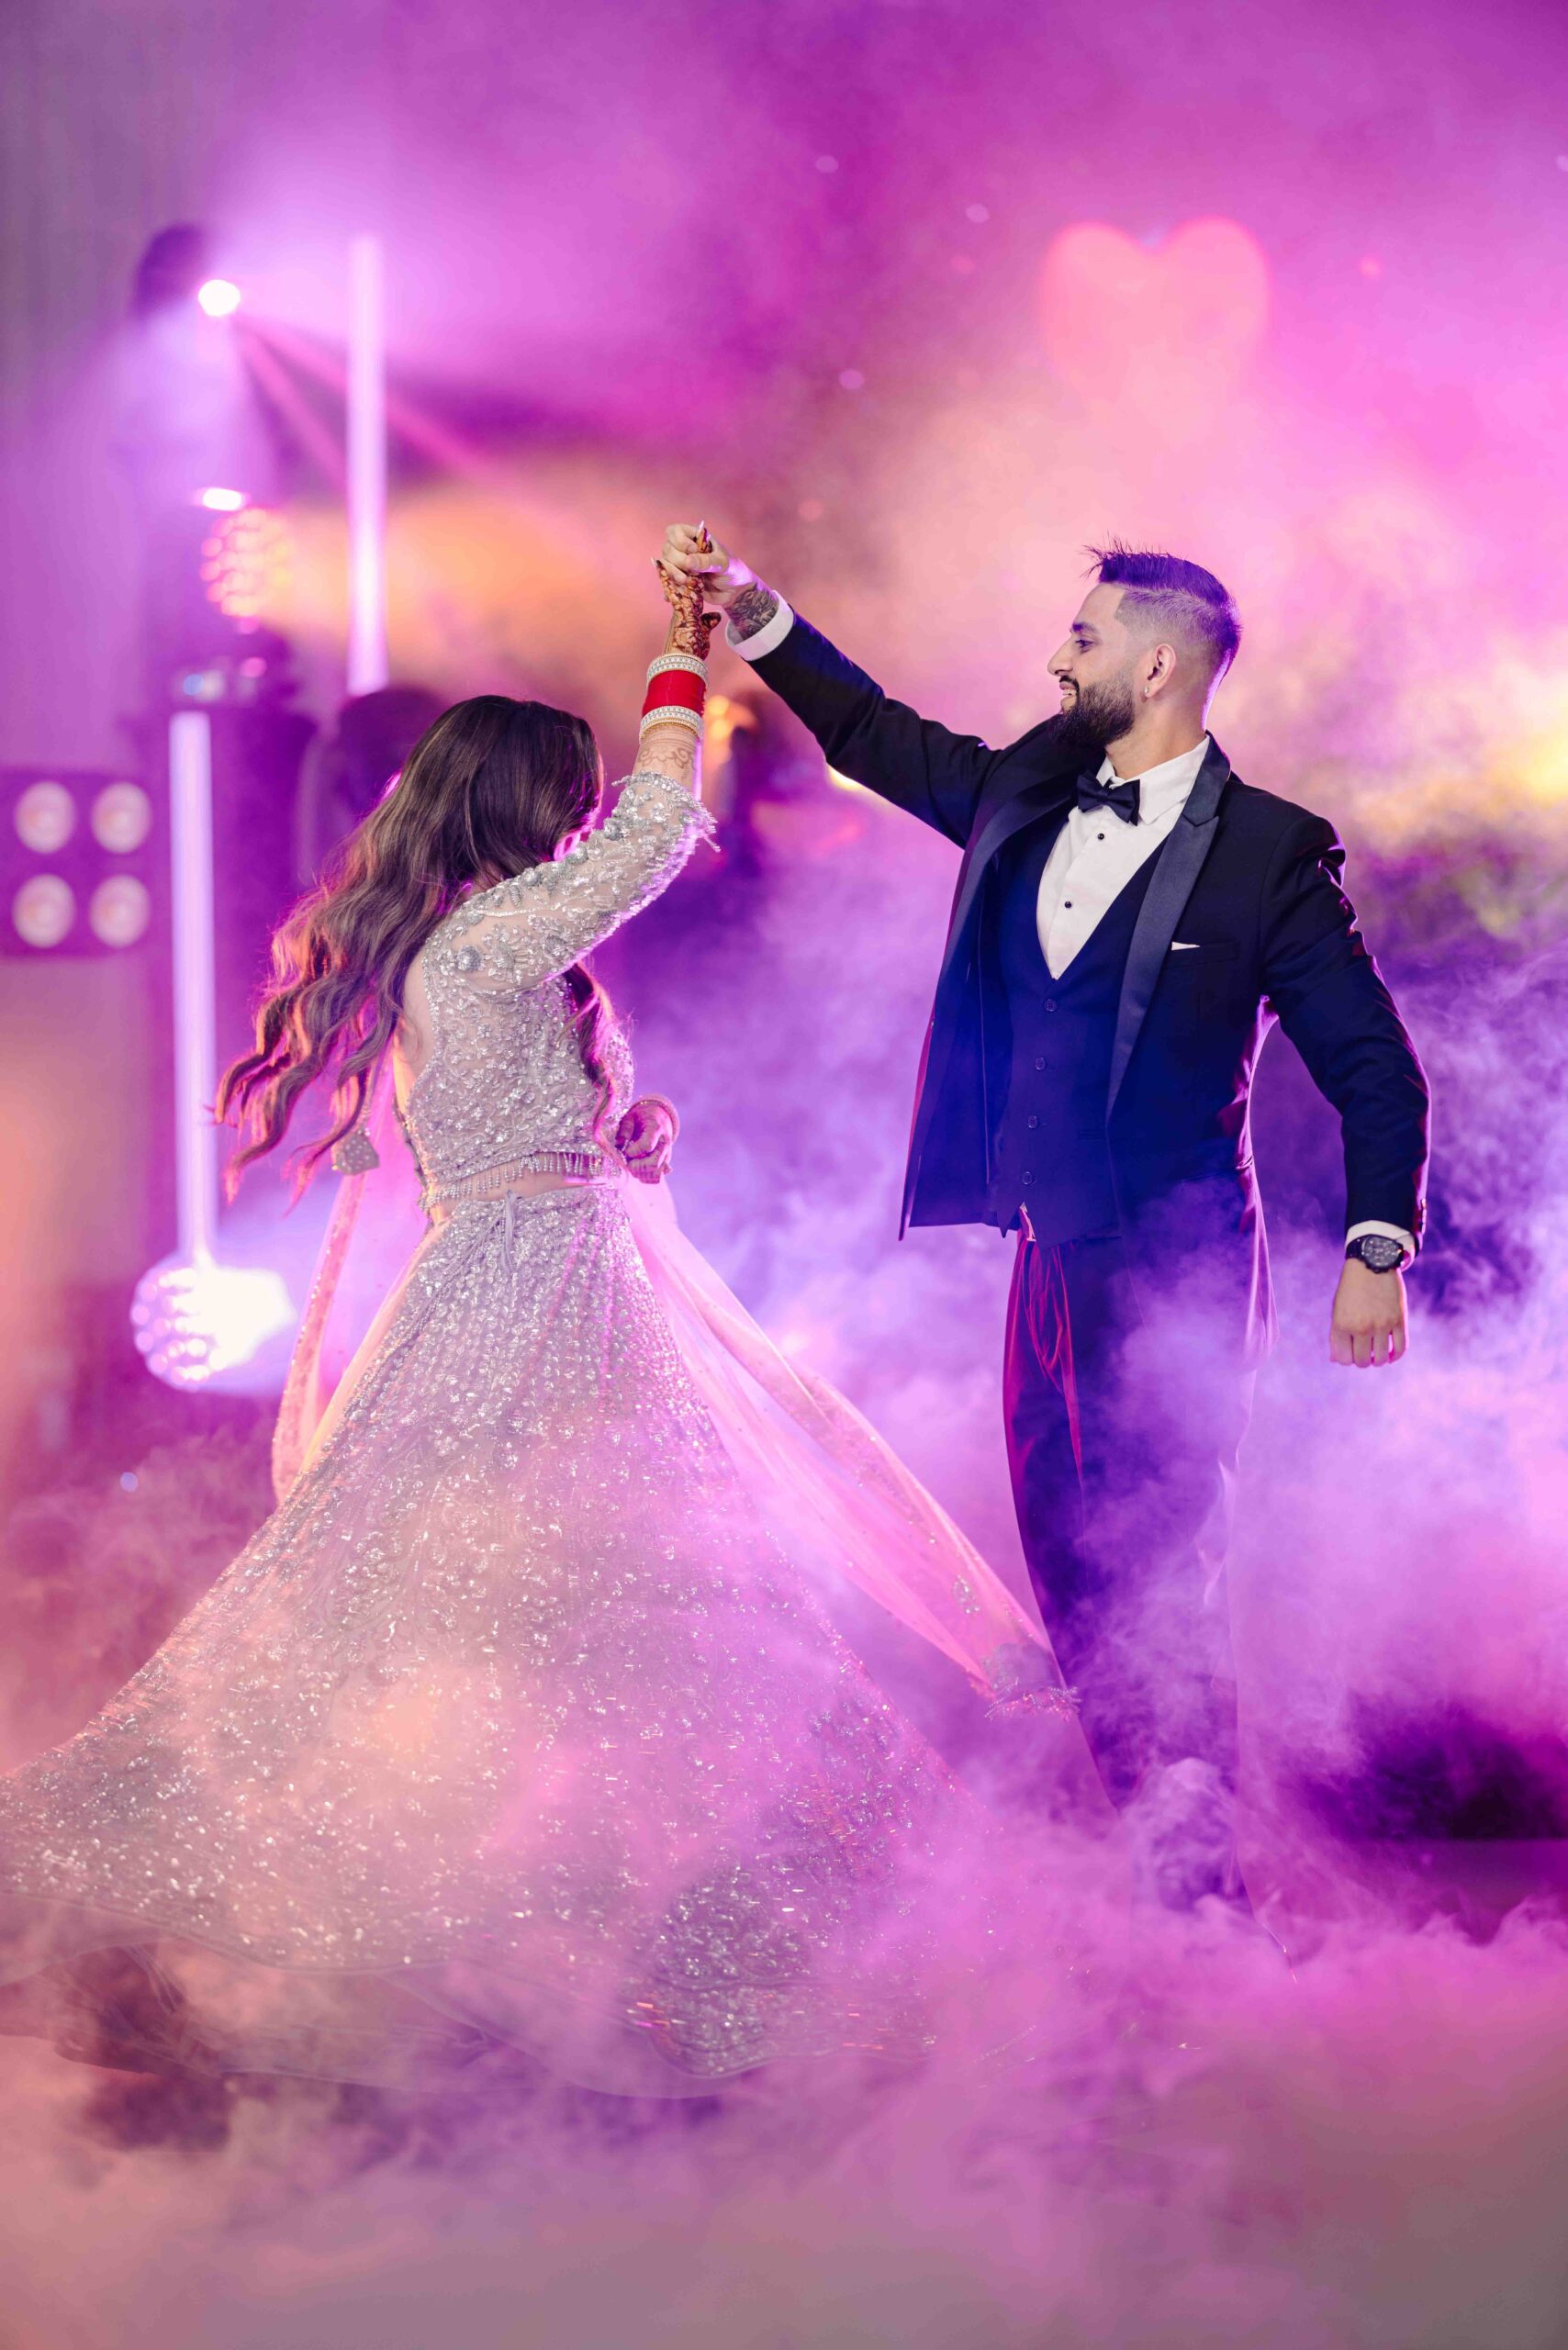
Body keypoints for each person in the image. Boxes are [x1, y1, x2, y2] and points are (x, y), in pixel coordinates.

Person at [0, 558, 1070, 2095]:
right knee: (460, 1630)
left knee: (640, 1633)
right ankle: (169, 1917)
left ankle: (683, 1980)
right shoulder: (483, 942)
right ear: (521, 806)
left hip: (574, 1291)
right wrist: (681, 655)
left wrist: (629, 1134)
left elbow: (543, 1123)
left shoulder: (510, 950)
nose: (586, 822)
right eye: (568, 800)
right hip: (520, 1310)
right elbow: (658, 832)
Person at [656, 523, 1430, 1907]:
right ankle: (1157, 1863)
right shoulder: (1025, 787)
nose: (1056, 658)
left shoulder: (1268, 852)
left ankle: (1201, 1905)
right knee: (1073, 1572)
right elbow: (875, 733)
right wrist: (757, 611)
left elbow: (1375, 1065)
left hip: (1179, 1265)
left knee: (1164, 1576)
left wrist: (1378, 1244)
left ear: (1156, 666)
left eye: (1082, 638)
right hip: (1043, 1259)